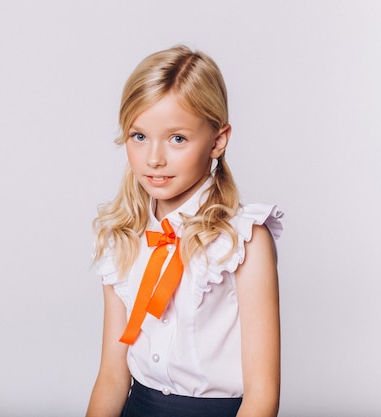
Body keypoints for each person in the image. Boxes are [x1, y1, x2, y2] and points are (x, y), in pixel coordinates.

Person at [85, 45, 283, 417]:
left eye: (177, 138)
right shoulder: (122, 238)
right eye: (139, 136)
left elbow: (262, 396)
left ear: (218, 140)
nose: (154, 158)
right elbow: (112, 377)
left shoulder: (244, 241)